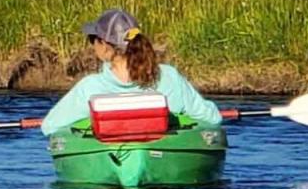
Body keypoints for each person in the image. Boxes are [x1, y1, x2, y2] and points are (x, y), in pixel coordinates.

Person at [41, 8, 221, 134]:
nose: (92, 45)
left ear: (104, 45)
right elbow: (212, 117)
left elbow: (49, 126)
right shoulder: (168, 77)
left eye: (92, 40)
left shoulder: (90, 88)